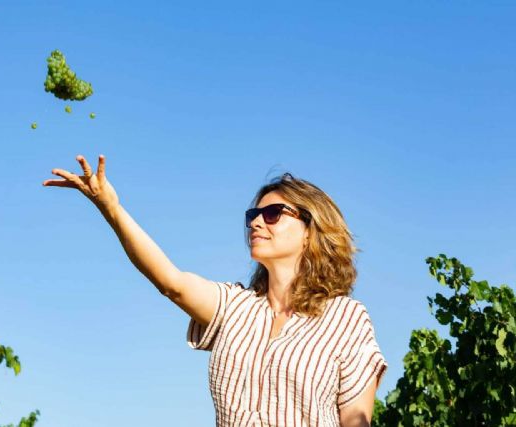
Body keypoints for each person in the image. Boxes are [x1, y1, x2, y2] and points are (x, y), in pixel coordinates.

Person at [43, 154, 388, 427]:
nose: (255, 222)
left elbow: (355, 422)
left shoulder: (346, 319)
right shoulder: (235, 307)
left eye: (272, 214)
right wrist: (111, 209)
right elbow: (171, 283)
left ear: (311, 229)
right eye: (253, 214)